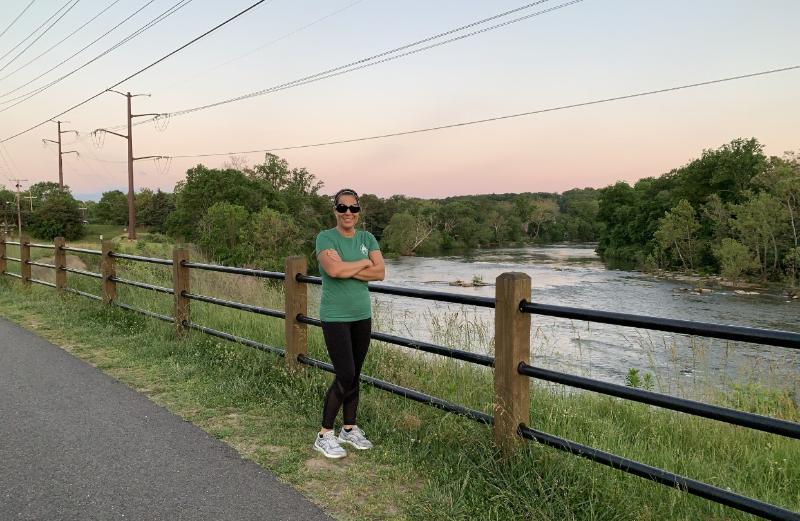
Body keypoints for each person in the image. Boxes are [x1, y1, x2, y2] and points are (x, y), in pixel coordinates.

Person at [313, 188, 385, 459]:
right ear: (335, 210)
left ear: (358, 211)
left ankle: (349, 428)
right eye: (342, 208)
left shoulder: (367, 237)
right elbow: (333, 270)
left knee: (355, 374)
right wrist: (364, 262)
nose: (348, 213)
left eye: (353, 208)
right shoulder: (325, 237)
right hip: (335, 317)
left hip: (361, 315)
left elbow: (380, 272)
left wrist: (351, 266)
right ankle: (324, 434)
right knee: (344, 374)